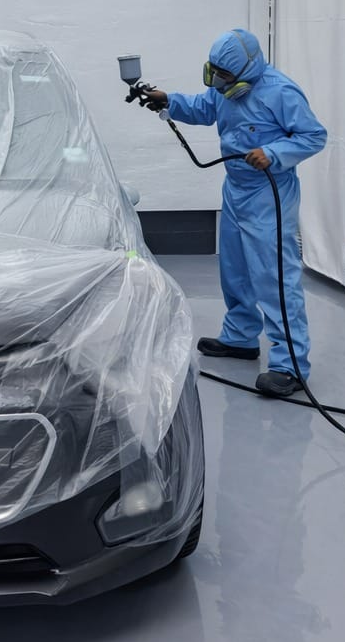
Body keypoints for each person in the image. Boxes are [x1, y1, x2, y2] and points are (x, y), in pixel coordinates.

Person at [140, 29, 327, 396]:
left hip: (269, 193)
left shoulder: (281, 92)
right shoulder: (225, 87)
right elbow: (205, 107)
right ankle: (241, 336)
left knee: (274, 277)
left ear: (248, 70)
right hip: (236, 189)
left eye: (226, 76)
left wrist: (272, 153)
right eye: (217, 74)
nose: (220, 82)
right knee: (235, 268)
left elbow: (313, 136)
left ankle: (290, 365)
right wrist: (168, 101)